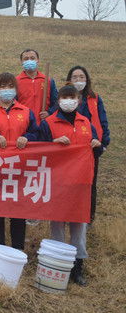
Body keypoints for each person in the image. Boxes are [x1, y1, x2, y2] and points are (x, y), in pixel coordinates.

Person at [38, 84, 102, 286]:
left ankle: (77, 265)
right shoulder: (48, 123)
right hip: (58, 181)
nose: (68, 101)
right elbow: (38, 150)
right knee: (57, 223)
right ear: (58, 101)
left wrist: (96, 145)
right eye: (64, 97)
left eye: (72, 97)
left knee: (79, 224)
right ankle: (57, 261)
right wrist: (54, 143)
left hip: (81, 182)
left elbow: (96, 150)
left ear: (78, 101)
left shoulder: (86, 123)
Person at [0, 72, 38, 250]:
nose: (6, 90)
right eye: (2, 86)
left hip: (19, 168)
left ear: (16, 90)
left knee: (18, 210)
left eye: (10, 86)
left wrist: (27, 138)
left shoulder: (26, 112)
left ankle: (18, 248)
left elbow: (37, 134)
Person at [66, 66, 110, 224]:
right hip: (69, 149)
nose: (78, 80)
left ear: (87, 79)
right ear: (69, 80)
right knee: (69, 183)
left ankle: (88, 218)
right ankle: (69, 214)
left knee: (89, 183)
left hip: (90, 148)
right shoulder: (65, 98)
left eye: (81, 77)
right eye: (75, 77)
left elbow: (103, 122)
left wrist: (103, 143)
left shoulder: (95, 99)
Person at [16, 49, 58, 124]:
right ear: (21, 63)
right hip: (23, 123)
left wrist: (49, 113)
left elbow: (57, 102)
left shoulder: (48, 81)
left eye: (32, 58)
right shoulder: (16, 82)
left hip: (43, 123)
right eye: (26, 59)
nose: (29, 61)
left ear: (38, 61)